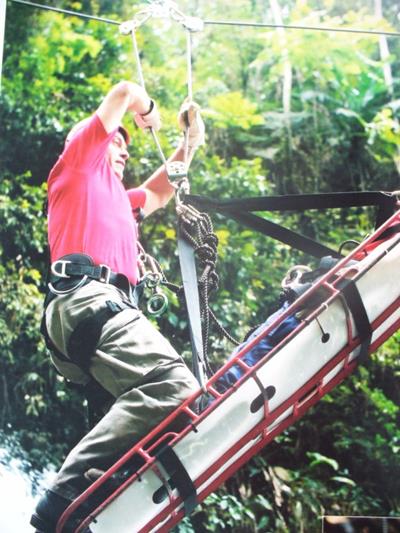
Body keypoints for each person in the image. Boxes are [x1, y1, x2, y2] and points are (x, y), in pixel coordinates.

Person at [30, 81, 204, 533]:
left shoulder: (120, 202)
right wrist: (146, 108)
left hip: (94, 313)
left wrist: (190, 143)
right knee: (174, 386)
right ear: (90, 142)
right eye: (116, 143)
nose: (123, 151)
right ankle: (61, 496)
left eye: (128, 145)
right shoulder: (78, 168)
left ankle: (90, 495)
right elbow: (123, 90)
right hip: (85, 299)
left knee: (150, 423)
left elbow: (163, 191)